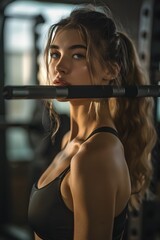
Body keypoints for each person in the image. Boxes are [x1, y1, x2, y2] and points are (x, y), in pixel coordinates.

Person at [28, 4, 157, 240]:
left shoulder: (95, 154)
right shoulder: (71, 140)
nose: (59, 66)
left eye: (77, 55)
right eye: (55, 54)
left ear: (110, 69)